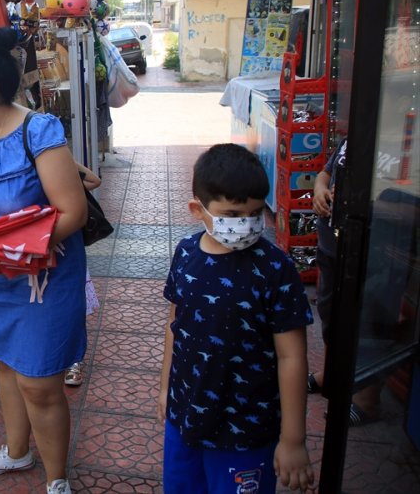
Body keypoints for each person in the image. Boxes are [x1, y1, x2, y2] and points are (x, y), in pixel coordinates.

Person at [0, 26, 87, 494]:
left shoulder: (38, 130)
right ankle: (16, 451)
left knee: (41, 383)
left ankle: (56, 480)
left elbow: (73, 211)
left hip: (41, 278)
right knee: (7, 364)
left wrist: (20, 251)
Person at [157, 143, 316, 494]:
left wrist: (293, 440)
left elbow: (292, 356)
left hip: (247, 430)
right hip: (186, 417)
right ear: (197, 210)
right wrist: (167, 388)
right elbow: (175, 326)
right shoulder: (185, 253)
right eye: (230, 215)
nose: (243, 224)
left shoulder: (275, 268)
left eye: (254, 213)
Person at [307, 139, 382, 425]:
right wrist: (320, 190)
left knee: (369, 318)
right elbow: (326, 173)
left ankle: (367, 395)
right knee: (330, 312)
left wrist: (362, 201)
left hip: (370, 248)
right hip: (332, 245)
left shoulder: (405, 146)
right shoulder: (355, 136)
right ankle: (333, 372)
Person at [64, 164, 102, 388]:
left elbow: (94, 181)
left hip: (68, 250)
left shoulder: (62, 171)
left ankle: (75, 361)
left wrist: (65, 158)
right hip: (38, 252)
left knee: (74, 308)